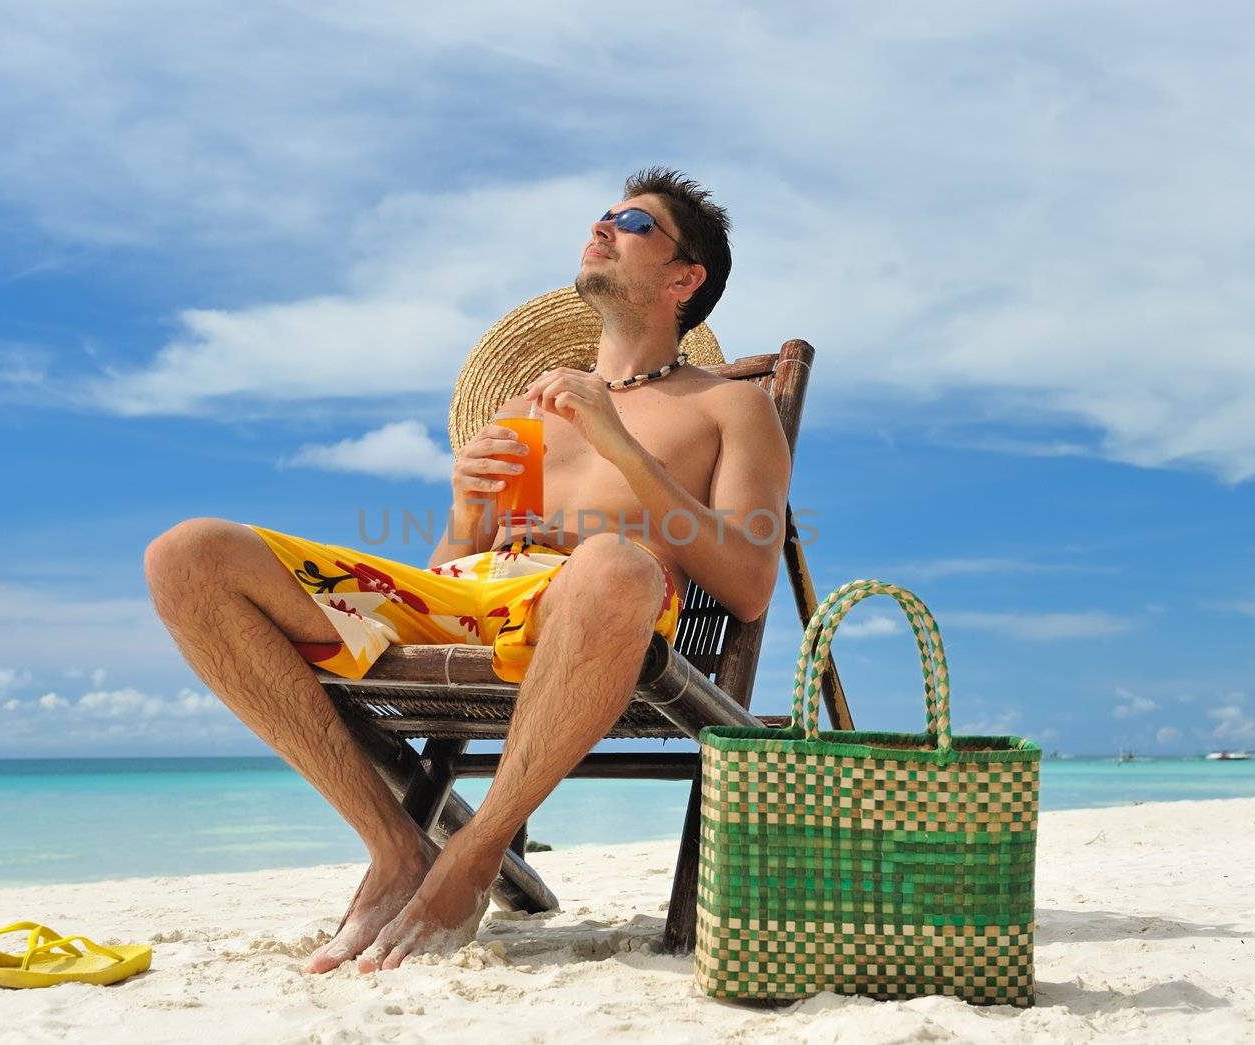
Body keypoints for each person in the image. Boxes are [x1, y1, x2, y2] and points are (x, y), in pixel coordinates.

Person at [143, 167, 792, 973]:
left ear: (683, 278)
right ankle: (395, 845)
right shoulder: (524, 413)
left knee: (612, 563)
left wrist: (619, 444)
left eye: (631, 222)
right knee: (189, 555)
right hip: (482, 595)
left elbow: (749, 580)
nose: (601, 226)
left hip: (598, 602)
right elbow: (450, 579)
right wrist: (462, 506)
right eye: (602, 214)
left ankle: (474, 853)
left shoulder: (728, 405)